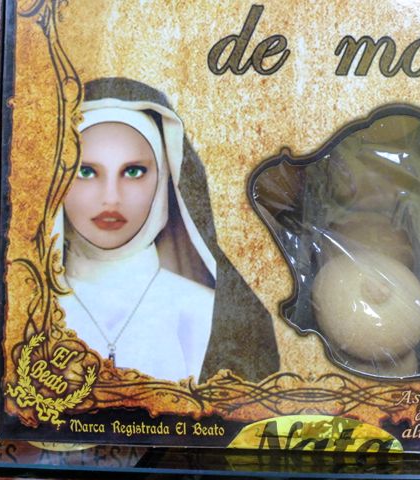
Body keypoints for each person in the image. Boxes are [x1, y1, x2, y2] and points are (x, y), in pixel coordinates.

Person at [58, 78, 280, 384]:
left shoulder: (206, 313)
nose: (111, 197)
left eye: (133, 171)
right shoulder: (29, 312)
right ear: (56, 180)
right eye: (86, 171)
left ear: (164, 180)